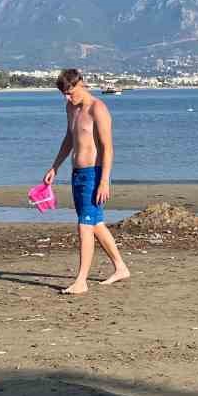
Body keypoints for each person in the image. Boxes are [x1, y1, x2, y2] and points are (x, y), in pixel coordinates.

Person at [41, 68, 130, 295]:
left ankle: (81, 281)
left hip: (94, 174)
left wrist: (104, 181)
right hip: (77, 174)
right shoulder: (71, 108)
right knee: (95, 223)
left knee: (84, 225)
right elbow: (70, 137)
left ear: (81, 84)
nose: (67, 97)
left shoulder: (98, 109)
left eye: (70, 92)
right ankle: (120, 267)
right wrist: (55, 166)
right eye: (64, 94)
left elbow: (108, 148)